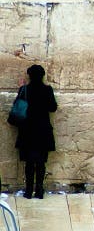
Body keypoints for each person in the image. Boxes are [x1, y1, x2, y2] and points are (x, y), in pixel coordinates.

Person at [13, 64, 57, 199]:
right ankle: (39, 190)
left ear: (30, 76)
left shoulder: (24, 90)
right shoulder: (47, 90)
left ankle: (28, 191)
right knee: (41, 162)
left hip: (27, 131)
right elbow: (53, 108)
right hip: (43, 131)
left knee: (29, 163)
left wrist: (21, 89)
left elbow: (17, 107)